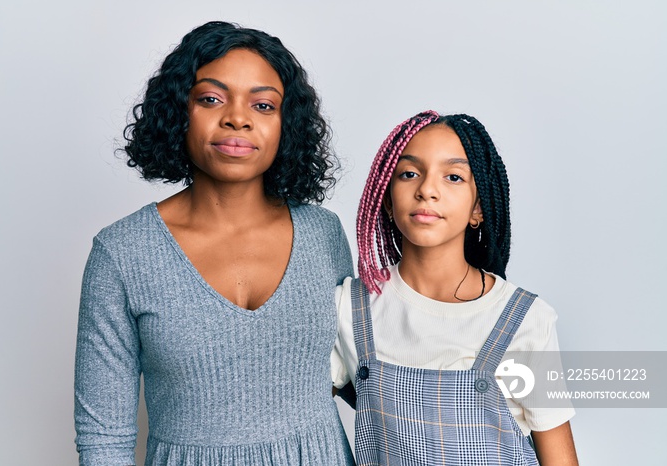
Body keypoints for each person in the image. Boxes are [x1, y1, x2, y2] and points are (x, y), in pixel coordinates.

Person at [75, 21, 355, 466]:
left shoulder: (325, 234)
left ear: (287, 124)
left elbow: (363, 376)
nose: (237, 118)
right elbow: (103, 438)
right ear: (178, 112)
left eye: (263, 105)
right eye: (210, 98)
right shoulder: (121, 254)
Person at [331, 111, 578, 465]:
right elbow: (296, 419)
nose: (427, 190)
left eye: (453, 177)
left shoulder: (526, 321)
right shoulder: (351, 308)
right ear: (387, 199)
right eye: (409, 173)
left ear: (478, 208)